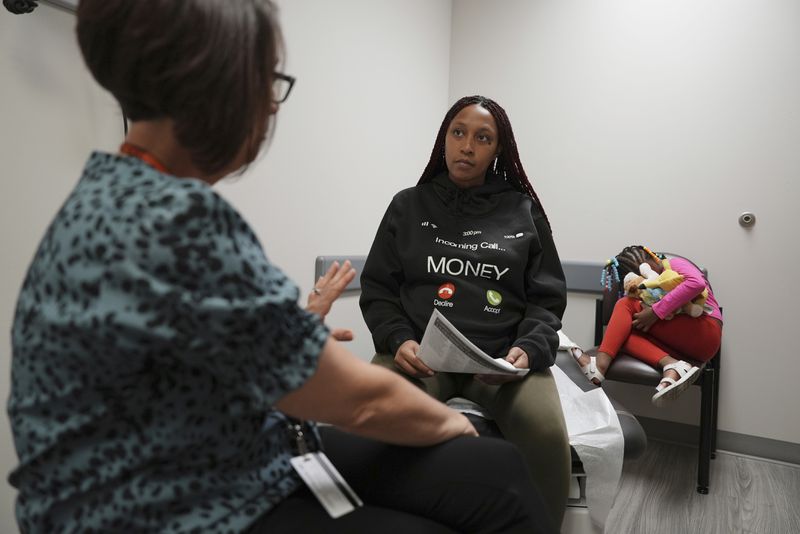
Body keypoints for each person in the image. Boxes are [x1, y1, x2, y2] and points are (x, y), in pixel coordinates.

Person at [6, 2, 555, 533]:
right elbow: (355, 397)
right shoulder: (175, 217)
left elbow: (212, 344)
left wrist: (303, 320)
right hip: (170, 496)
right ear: (211, 83)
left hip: (206, 448)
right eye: (266, 84)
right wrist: (455, 425)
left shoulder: (113, 192)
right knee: (487, 481)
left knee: (497, 471)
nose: (270, 108)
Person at [360, 95, 571, 528]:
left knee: (547, 433)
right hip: (421, 356)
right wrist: (398, 338)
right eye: (458, 133)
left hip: (502, 362)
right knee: (371, 417)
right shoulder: (408, 205)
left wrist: (528, 351)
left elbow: (546, 299)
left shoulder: (525, 211)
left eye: (482, 138)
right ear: (444, 139)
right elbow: (379, 289)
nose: (467, 146)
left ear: (498, 150)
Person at [575, 245, 723, 405]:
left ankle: (599, 365)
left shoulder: (676, 264)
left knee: (625, 303)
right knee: (622, 335)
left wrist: (655, 311)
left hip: (705, 330)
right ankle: (673, 365)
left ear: (653, 258)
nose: (645, 280)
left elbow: (697, 284)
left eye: (644, 271)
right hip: (685, 346)